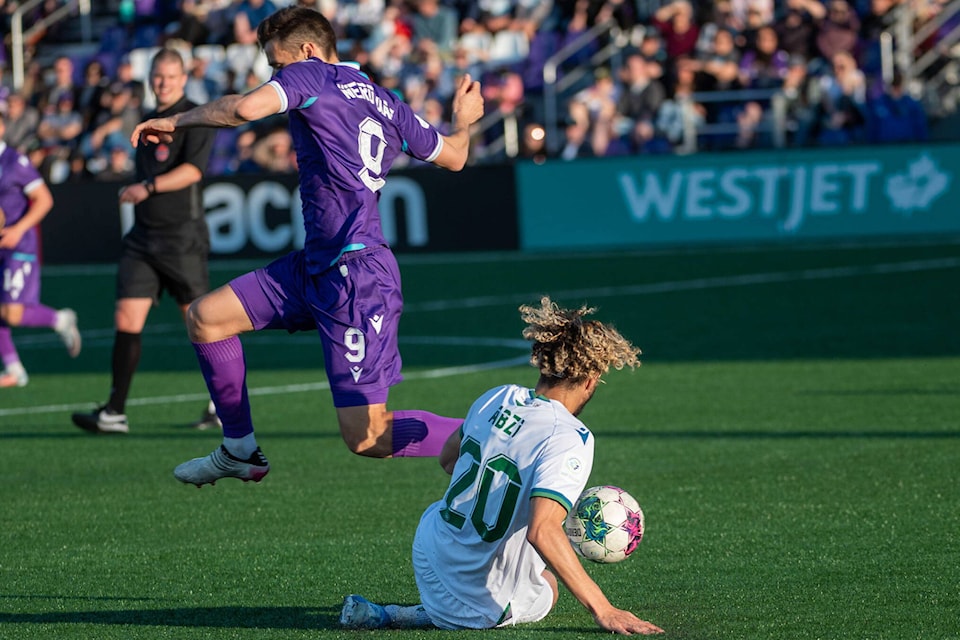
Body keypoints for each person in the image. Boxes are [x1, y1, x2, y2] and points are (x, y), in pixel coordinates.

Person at [128, 6, 485, 485]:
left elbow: (242, 110)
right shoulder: (384, 98)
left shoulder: (312, 76)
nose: (274, 75)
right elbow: (456, 157)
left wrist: (178, 122)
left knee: (367, 438)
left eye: (277, 65)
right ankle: (239, 451)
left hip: (355, 278)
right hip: (316, 265)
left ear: (309, 52)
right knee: (206, 318)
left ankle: (492, 437)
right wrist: (462, 123)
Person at [338, 296, 663, 635]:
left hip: (428, 549)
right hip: (471, 600)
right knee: (547, 586)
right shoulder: (571, 437)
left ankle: (403, 610)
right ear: (590, 380)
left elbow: (448, 460)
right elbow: (542, 531)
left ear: (543, 363)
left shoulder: (498, 395)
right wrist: (605, 610)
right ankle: (404, 615)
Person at [70, 48, 218, 434]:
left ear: (183, 79)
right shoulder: (144, 117)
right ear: (150, 78)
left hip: (181, 237)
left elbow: (192, 172)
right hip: (142, 238)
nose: (163, 83)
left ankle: (222, 404)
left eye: (170, 76)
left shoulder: (195, 117)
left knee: (203, 323)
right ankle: (114, 412)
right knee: (126, 318)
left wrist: (147, 187)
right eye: (158, 76)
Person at [0, 109, 82, 388]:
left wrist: (17, 229)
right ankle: (14, 369)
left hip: (17, 246)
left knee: (12, 312)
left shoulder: (14, 161)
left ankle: (60, 319)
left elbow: (44, 199)